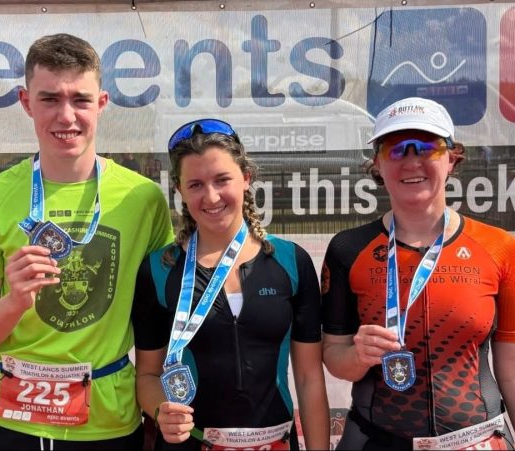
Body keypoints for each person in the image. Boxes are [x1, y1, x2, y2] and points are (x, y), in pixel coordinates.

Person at [0, 33, 174, 450]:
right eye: (50, 99)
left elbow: (160, 314)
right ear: (26, 102)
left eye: (80, 100)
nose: (66, 116)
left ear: (102, 103)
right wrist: (14, 300)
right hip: (11, 422)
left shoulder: (143, 198)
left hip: (108, 422)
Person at [321, 97, 515, 450]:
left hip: (477, 441)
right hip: (376, 441)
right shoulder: (348, 249)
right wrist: (357, 356)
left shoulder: (499, 246)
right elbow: (334, 356)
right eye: (395, 149)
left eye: (428, 147)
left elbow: (511, 366)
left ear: (452, 158)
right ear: (378, 164)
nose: (411, 161)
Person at [132, 118, 330, 450]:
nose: (211, 196)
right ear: (179, 190)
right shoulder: (159, 269)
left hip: (276, 444)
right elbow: (147, 376)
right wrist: (160, 409)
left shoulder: (290, 261)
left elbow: (309, 378)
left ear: (246, 178)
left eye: (222, 179)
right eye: (195, 184)